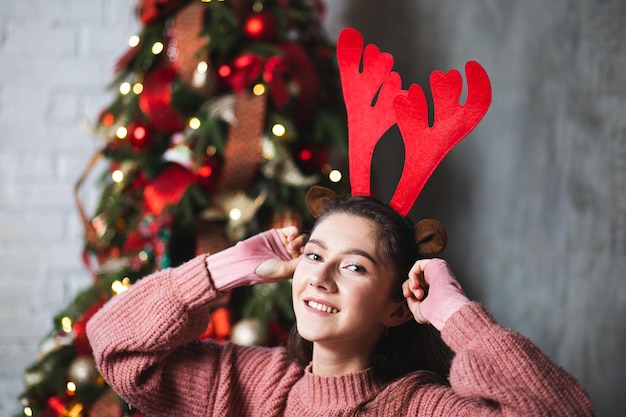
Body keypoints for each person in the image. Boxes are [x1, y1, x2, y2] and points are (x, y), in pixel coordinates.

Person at [86, 192, 595, 416]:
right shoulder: (254, 387)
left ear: (397, 308)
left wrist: (455, 315)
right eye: (313, 255)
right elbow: (115, 348)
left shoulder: (416, 406)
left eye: (354, 266)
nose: (320, 278)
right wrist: (224, 269)